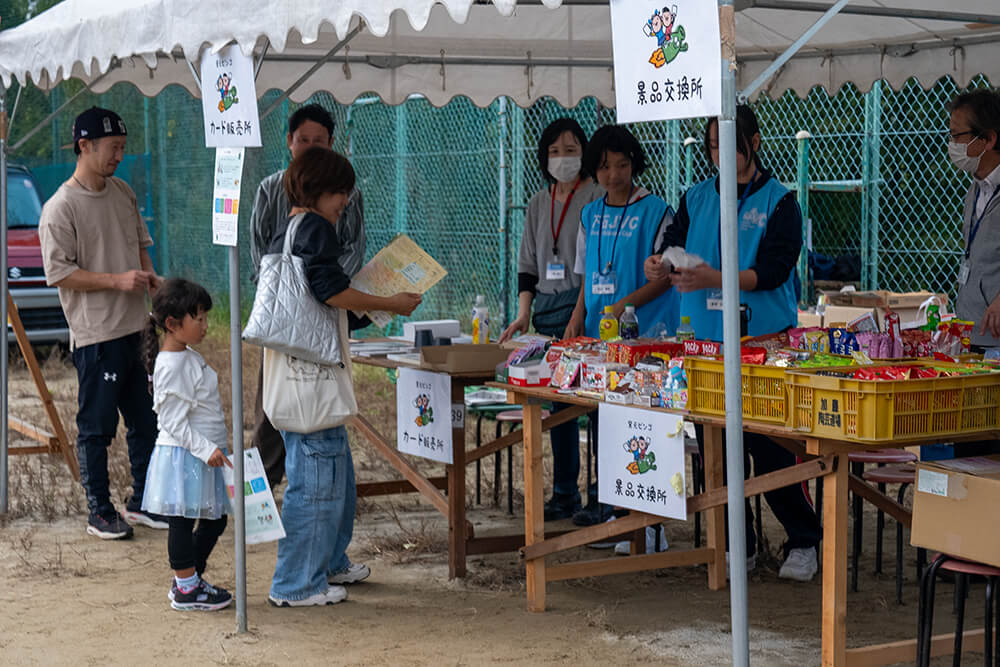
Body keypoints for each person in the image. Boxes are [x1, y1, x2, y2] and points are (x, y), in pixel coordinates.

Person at [644, 104, 821, 582]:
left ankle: (805, 540)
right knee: (716, 450)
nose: (724, 154)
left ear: (755, 142)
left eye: (733, 144)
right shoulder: (695, 197)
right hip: (704, 346)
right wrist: (659, 262)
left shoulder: (780, 201)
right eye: (714, 145)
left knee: (771, 450)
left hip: (763, 345)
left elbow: (774, 271)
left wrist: (712, 278)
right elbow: (671, 242)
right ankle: (736, 543)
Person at [267, 147, 422, 607]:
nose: (345, 202)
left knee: (333, 478)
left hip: (299, 380)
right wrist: (389, 301)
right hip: (311, 389)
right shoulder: (314, 228)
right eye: (340, 193)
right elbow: (330, 290)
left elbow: (324, 307)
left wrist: (369, 307)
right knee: (315, 485)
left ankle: (329, 563)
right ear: (318, 190)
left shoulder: (287, 230)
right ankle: (296, 584)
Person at [39, 106, 166, 540]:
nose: (119, 156)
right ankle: (99, 510)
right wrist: (117, 279)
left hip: (137, 329)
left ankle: (145, 501)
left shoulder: (124, 192)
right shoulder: (60, 208)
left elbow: (141, 246)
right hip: (96, 336)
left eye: (123, 148)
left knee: (146, 420)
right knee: (96, 427)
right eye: (113, 148)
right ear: (84, 146)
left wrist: (153, 284)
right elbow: (60, 273)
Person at [249, 103, 369, 491]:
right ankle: (261, 491)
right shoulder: (271, 189)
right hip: (286, 315)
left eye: (319, 141)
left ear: (332, 145)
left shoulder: (345, 191)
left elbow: (353, 246)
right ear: (289, 142)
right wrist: (301, 292)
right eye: (303, 140)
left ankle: (308, 485)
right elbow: (262, 252)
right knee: (274, 404)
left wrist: (334, 289)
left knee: (315, 404)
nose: (311, 148)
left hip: (332, 306)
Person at [566, 124, 678, 529]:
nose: (614, 175)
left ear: (635, 164)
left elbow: (664, 276)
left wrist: (620, 306)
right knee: (606, 423)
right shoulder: (589, 213)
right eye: (604, 167)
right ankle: (615, 513)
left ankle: (649, 527)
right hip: (601, 339)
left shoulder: (657, 211)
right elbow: (586, 273)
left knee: (644, 426)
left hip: (648, 340)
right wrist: (579, 313)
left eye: (622, 164)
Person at [498, 118, 602, 520]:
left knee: (592, 405)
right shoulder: (539, 201)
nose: (563, 158)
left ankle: (601, 495)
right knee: (557, 406)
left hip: (586, 313)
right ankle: (564, 492)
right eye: (555, 151)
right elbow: (528, 265)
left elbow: (593, 265)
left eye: (571, 149)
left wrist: (582, 312)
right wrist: (524, 312)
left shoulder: (595, 195)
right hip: (547, 311)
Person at [141, 278, 233, 611]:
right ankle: (187, 586)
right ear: (172, 324)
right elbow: (172, 423)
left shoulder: (186, 355)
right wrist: (206, 449)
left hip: (200, 455)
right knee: (183, 519)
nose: (206, 325)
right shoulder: (172, 365)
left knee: (214, 518)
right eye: (200, 318)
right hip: (186, 455)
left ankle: (189, 579)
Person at [946, 89, 1000, 457]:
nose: (952, 144)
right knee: (971, 448)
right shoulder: (975, 189)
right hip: (973, 334)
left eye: (958, 136)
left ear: (988, 139)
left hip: (995, 339)